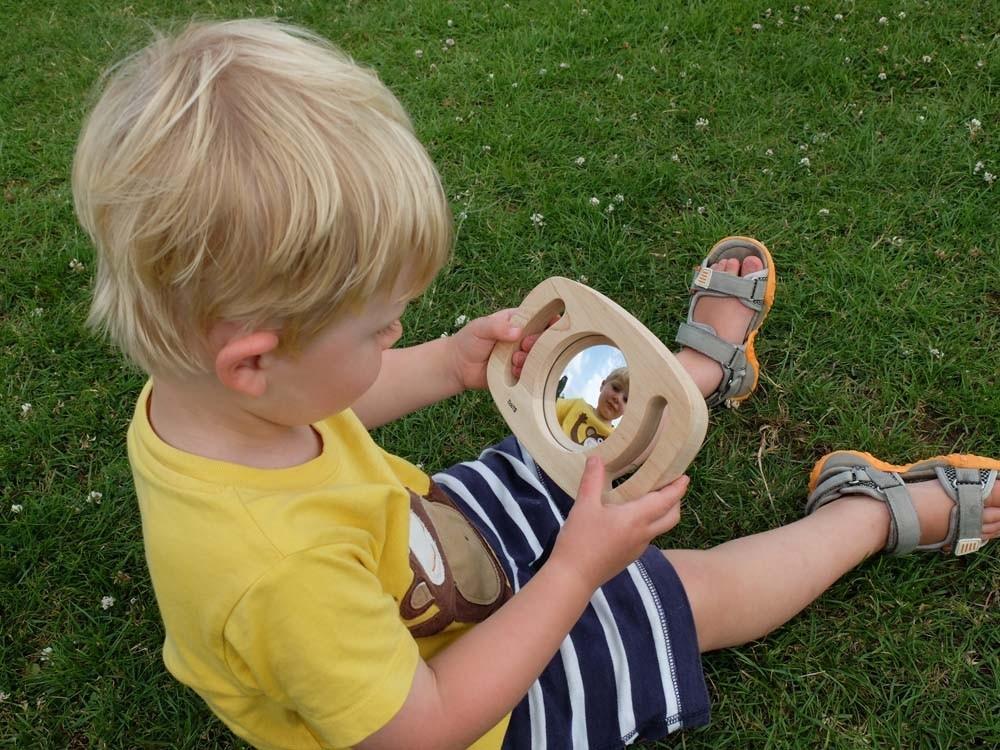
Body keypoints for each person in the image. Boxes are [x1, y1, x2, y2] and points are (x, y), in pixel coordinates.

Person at [72, 19, 1000, 750]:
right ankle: (868, 512)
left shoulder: (205, 399)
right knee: (688, 592)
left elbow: (326, 405)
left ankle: (686, 383)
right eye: (379, 325)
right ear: (254, 358)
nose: (398, 331)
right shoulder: (280, 580)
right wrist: (573, 574)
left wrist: (441, 363)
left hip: (420, 553)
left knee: (562, 447)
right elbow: (423, 727)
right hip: (478, 702)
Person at [554, 366, 629, 447]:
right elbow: (546, 408)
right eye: (616, 388)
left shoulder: (616, 440)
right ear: (602, 385)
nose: (617, 398)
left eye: (625, 399)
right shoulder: (576, 405)